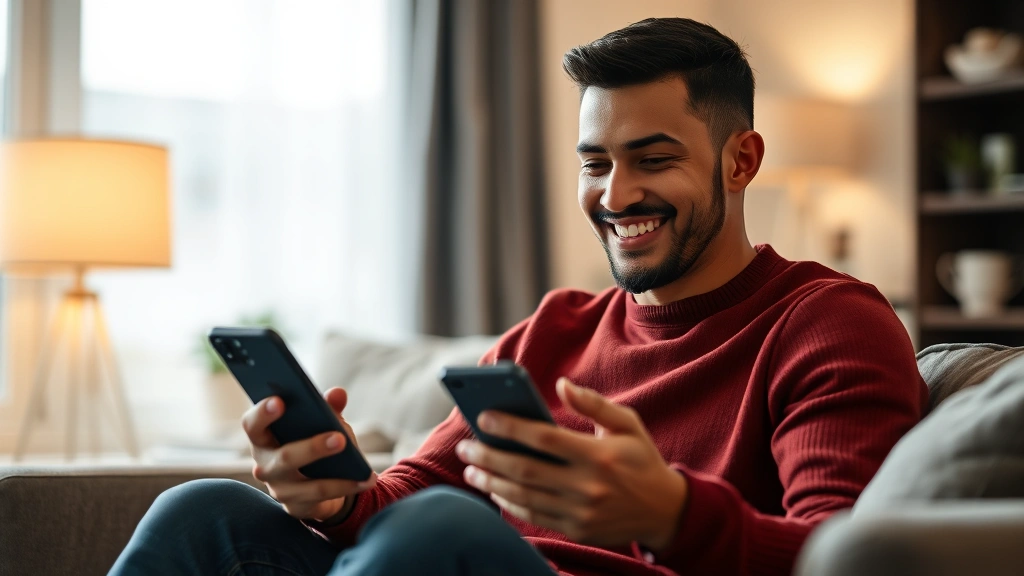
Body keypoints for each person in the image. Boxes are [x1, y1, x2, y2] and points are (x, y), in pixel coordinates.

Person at [110, 17, 927, 576]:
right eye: (595, 163)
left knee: (442, 531)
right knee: (202, 510)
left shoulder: (828, 323)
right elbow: (403, 498)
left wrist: (672, 514)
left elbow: (845, 557)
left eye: (653, 159)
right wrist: (334, 496)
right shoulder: (556, 329)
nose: (616, 195)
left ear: (741, 161)